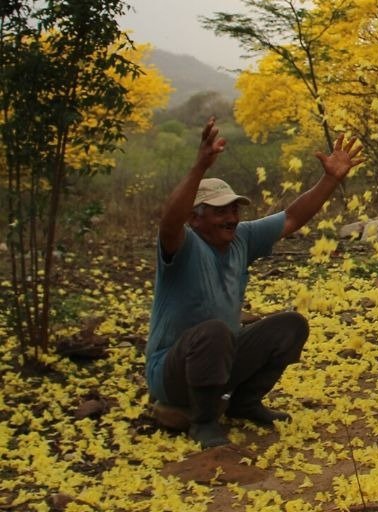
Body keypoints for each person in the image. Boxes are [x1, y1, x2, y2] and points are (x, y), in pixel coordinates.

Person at [146, 117, 365, 449]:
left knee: (290, 326)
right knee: (215, 331)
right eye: (220, 212)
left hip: (221, 358)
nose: (231, 218)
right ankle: (203, 420)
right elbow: (169, 221)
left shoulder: (240, 239)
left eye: (234, 210)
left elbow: (292, 217)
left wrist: (329, 180)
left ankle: (243, 402)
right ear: (196, 218)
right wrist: (199, 166)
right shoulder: (183, 245)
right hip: (172, 374)